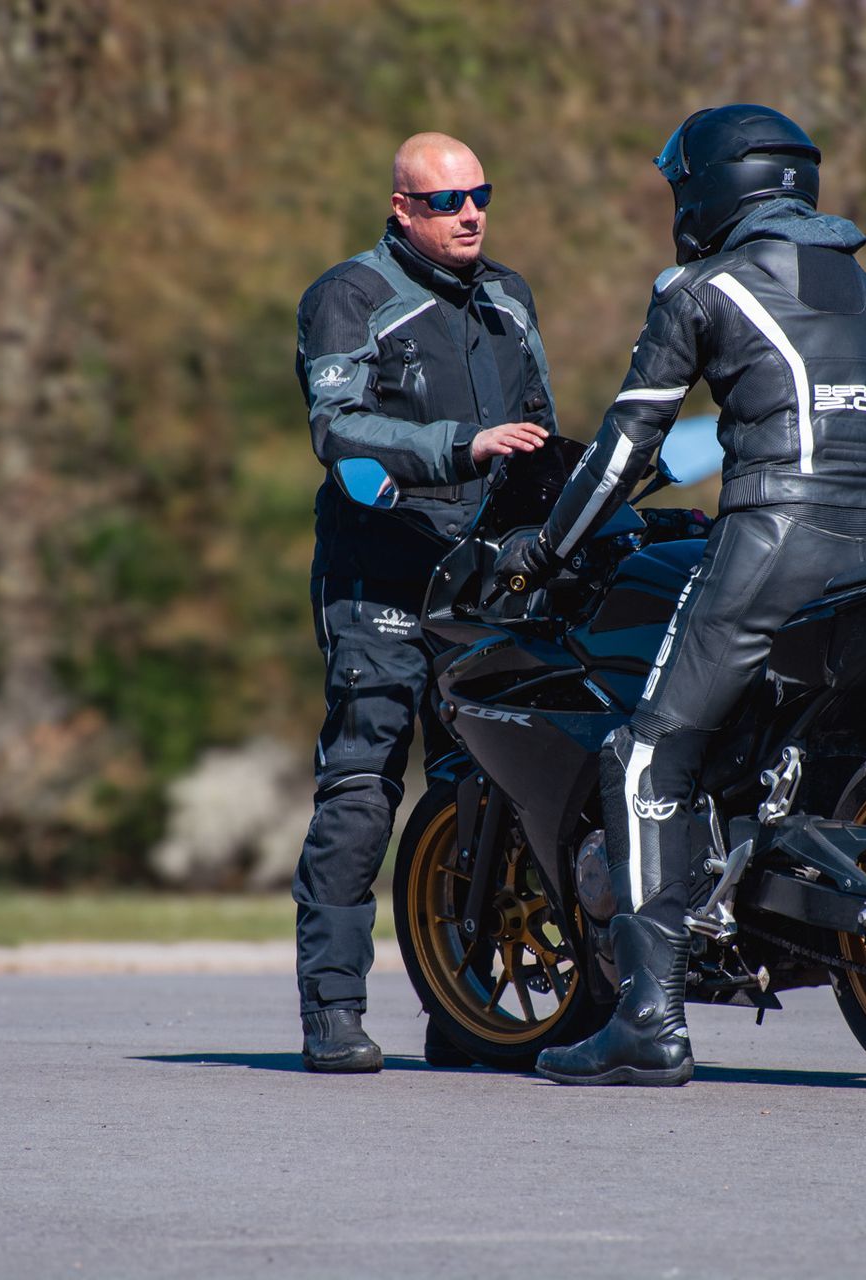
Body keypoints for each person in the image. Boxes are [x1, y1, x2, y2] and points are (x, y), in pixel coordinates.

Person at [494, 104, 866, 1086]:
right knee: (839, 744)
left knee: (646, 754)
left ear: (712, 190)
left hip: (776, 540)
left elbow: (629, 444)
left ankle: (648, 1019)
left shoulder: (703, 289)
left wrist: (547, 546)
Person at [293, 133, 555, 1072]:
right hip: (380, 574)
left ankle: (467, 1012)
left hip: (481, 581)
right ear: (401, 208)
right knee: (364, 784)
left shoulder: (510, 297)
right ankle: (332, 1011)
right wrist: (462, 446)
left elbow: (537, 435)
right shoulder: (350, 296)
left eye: (480, 193)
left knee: (481, 790)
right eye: (447, 201)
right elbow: (339, 428)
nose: (470, 213)